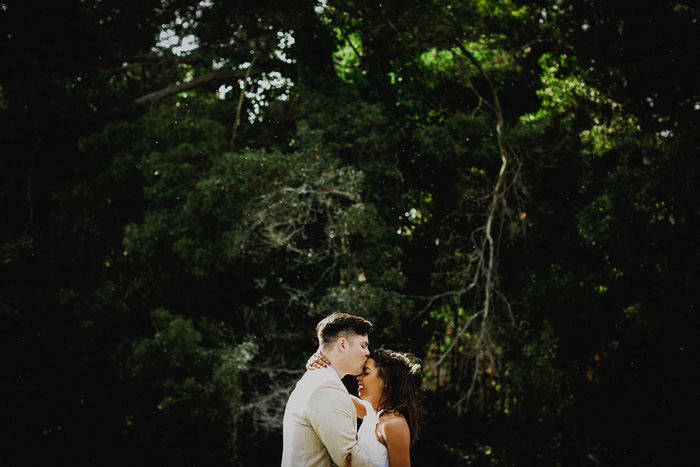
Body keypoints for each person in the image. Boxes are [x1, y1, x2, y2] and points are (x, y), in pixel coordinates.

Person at [281, 312, 377, 467]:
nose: (368, 353)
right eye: (363, 345)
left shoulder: (318, 379)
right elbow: (348, 456)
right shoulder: (325, 386)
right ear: (343, 344)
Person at [308, 348, 423, 467]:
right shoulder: (370, 412)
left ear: (386, 381)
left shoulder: (394, 423)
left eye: (366, 373)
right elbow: (330, 393)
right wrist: (316, 366)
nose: (358, 377)